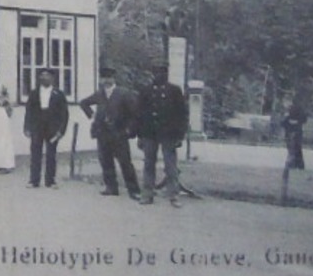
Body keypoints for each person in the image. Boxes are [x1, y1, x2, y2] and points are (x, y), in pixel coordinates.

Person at [78, 67, 141, 198]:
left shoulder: (124, 93)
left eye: (109, 78)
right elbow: (83, 103)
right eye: (104, 78)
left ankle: (134, 190)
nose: (106, 80)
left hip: (119, 133)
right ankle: (111, 187)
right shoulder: (99, 94)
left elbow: (134, 113)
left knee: (125, 162)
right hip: (103, 133)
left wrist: (129, 129)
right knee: (105, 161)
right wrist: (92, 115)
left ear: (114, 79)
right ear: (101, 80)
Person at [137, 64, 189, 207]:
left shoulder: (174, 91)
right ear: (153, 74)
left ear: (166, 74)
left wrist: (180, 135)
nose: (159, 75)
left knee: (170, 166)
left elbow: (182, 114)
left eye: (162, 72)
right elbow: (139, 114)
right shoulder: (145, 91)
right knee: (148, 164)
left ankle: (173, 195)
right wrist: (140, 136)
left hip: (169, 134)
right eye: (156, 72)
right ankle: (147, 194)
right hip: (149, 133)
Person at [23, 67, 70, 189]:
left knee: (51, 154)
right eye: (42, 76)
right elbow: (28, 111)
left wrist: (61, 131)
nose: (44, 78)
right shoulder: (34, 93)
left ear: (52, 78)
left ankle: (50, 180)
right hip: (37, 126)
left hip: (52, 127)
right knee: (35, 153)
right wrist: (27, 127)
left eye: (47, 76)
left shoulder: (58, 94)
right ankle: (34, 180)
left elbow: (64, 114)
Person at [283, 97, 308, 170]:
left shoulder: (290, 110)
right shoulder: (300, 109)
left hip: (291, 130)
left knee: (292, 148)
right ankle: (299, 164)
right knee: (297, 148)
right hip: (297, 130)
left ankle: (293, 163)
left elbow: (284, 122)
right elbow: (304, 119)